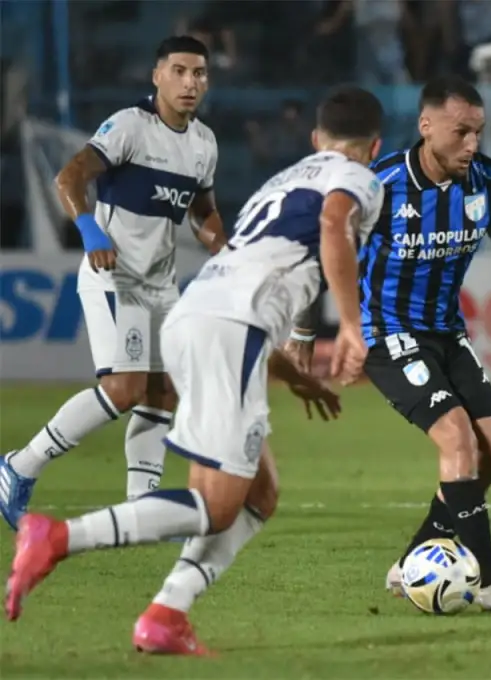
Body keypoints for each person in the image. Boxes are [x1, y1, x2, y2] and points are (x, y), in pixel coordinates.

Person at [5, 85, 385, 655]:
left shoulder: (282, 183)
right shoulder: (358, 179)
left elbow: (244, 292)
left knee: (259, 494)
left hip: (197, 319)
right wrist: (351, 325)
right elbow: (335, 226)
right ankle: (57, 536)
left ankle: (166, 614)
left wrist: (299, 377)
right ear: (374, 147)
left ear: (315, 139)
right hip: (226, 329)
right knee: (216, 506)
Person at [287, 75, 491, 614]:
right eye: (461, 132)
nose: (472, 144)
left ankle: (413, 558)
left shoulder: (490, 183)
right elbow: (325, 252)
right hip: (388, 334)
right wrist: (303, 330)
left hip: (448, 332)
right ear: (426, 126)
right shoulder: (380, 186)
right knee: (457, 440)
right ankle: (490, 578)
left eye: (479, 132)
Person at [0, 36, 227, 527]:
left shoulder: (204, 143)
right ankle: (19, 466)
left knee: (162, 392)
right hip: (114, 276)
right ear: (157, 75)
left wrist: (225, 250)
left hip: (160, 284)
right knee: (123, 389)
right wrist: (89, 231)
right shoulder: (130, 126)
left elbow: (202, 211)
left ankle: (142, 506)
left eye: (199, 73)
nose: (190, 82)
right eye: (179, 71)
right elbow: (69, 177)